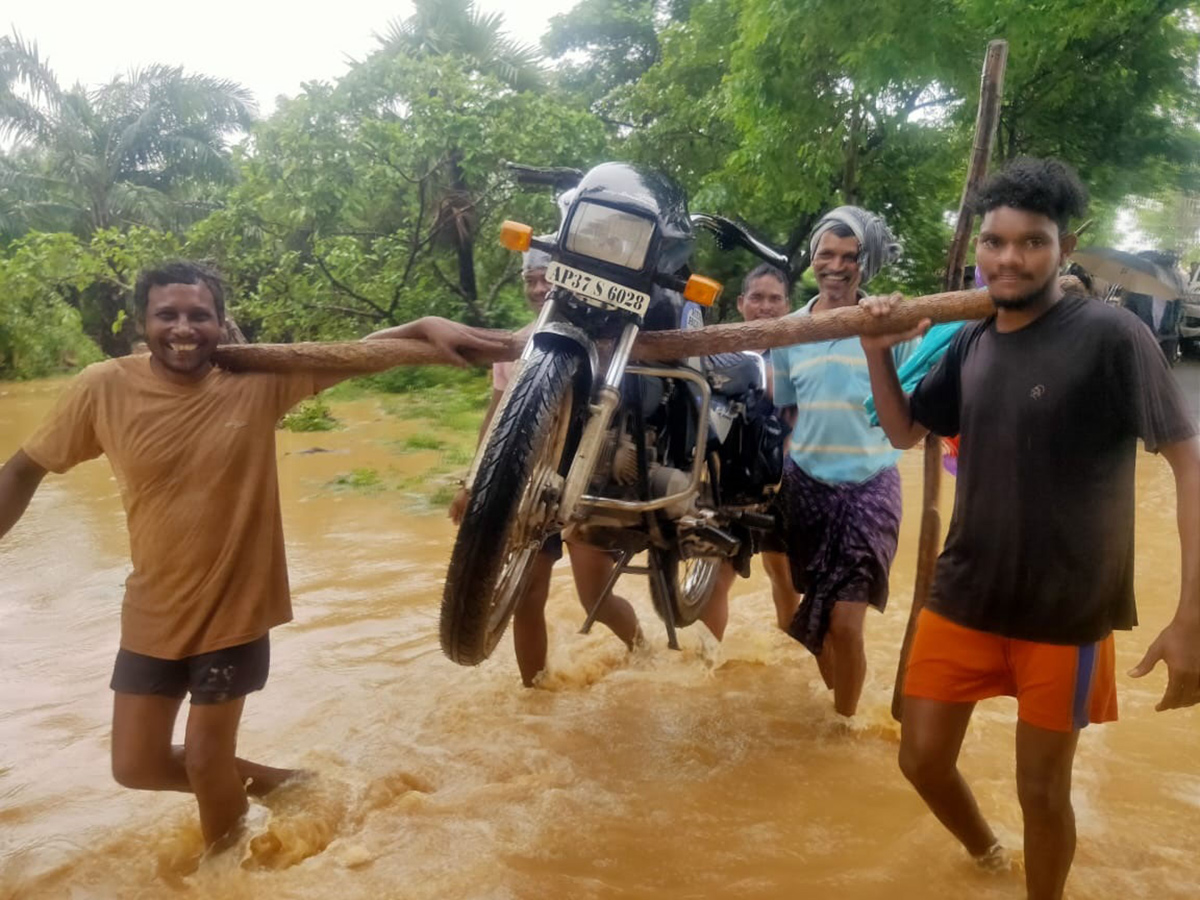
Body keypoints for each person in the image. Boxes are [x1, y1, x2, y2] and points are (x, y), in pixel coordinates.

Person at [0, 260, 506, 852]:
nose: (183, 328)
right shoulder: (101, 387)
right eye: (167, 315)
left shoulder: (257, 380)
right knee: (134, 766)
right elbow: (23, 468)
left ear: (222, 322)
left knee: (208, 759)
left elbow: (351, 354)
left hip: (235, 603)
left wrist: (420, 326)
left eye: (199, 315)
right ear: (143, 322)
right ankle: (287, 784)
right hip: (153, 607)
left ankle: (225, 876)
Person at [859, 157, 1200, 900]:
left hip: (1065, 611)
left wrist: (1192, 613)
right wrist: (876, 351)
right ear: (980, 247)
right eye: (995, 242)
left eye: (1031, 242)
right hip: (965, 592)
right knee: (919, 760)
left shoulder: (1111, 336)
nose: (1009, 258)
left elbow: (1188, 463)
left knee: (1042, 793)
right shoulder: (972, 340)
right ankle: (984, 852)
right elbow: (903, 430)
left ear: (1065, 247)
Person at [445, 245, 642, 686]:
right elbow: (495, 421)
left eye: (545, 278)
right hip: (525, 486)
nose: (537, 288)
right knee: (526, 596)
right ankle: (535, 696)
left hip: (589, 482)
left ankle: (644, 652)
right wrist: (471, 484)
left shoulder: (607, 345)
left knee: (595, 596)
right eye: (529, 280)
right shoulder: (515, 347)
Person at [770, 206, 911, 717]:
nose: (836, 265)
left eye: (850, 257)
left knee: (848, 623)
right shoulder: (787, 332)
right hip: (805, 484)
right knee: (818, 622)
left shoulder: (887, 321)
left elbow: (912, 409)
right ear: (811, 260)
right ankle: (839, 708)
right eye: (826, 254)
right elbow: (785, 412)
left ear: (864, 264)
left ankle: (843, 729)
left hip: (871, 483)